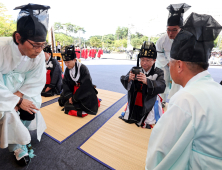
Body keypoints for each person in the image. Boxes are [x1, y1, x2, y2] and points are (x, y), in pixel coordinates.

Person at [145, 13, 222, 170]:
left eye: (171, 63)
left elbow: (160, 151)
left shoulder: (186, 100)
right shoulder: (217, 89)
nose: (169, 66)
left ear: (179, 65)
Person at [0, 3, 50, 166]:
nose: (38, 50)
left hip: (23, 87)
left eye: (42, 45)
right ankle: (15, 143)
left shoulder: (40, 53)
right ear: (18, 38)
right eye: (34, 45)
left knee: (31, 107)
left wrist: (20, 97)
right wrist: (15, 101)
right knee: (7, 111)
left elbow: (37, 78)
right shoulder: (2, 47)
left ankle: (18, 143)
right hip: (3, 87)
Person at [119, 41, 166, 128]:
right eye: (142, 60)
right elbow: (123, 78)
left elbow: (162, 86)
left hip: (150, 100)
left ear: (154, 60)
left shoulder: (158, 72)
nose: (144, 63)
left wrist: (147, 81)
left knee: (148, 121)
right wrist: (129, 78)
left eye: (148, 60)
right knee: (131, 116)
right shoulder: (135, 69)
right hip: (135, 99)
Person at [156, 3, 191, 107]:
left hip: (179, 64)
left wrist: (178, 64)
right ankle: (161, 100)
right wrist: (167, 63)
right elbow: (158, 52)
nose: (170, 33)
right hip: (164, 64)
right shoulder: (162, 39)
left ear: (180, 29)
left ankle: (173, 102)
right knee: (163, 80)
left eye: (174, 30)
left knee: (177, 83)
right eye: (168, 30)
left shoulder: (187, 39)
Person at [58, 45, 99, 117]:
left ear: (74, 60)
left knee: (85, 104)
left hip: (83, 91)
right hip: (73, 90)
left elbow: (86, 85)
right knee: (61, 101)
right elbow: (65, 83)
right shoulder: (68, 69)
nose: (66, 64)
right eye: (65, 62)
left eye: (68, 62)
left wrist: (74, 98)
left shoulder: (83, 68)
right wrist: (70, 96)